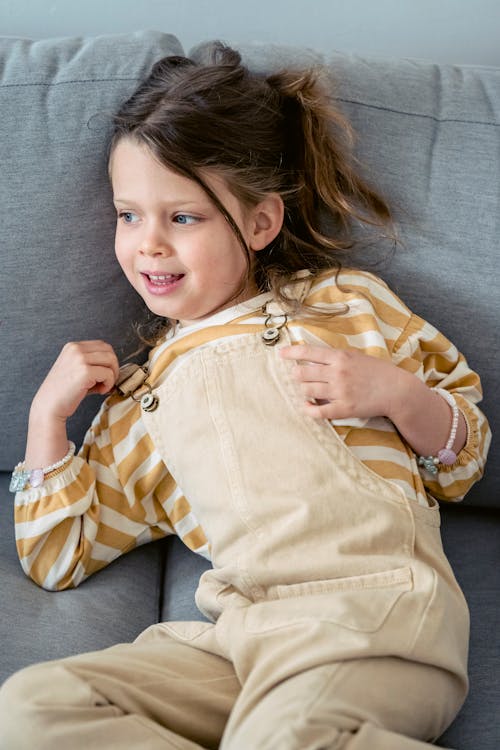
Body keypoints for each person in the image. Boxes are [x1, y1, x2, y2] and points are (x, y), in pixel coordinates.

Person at [0, 42, 490, 750]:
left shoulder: (343, 305)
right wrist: (48, 417)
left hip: (373, 613)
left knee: (282, 737)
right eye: (129, 215)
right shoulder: (145, 401)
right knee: (33, 708)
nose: (149, 246)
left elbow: (464, 457)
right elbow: (58, 555)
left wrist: (397, 393)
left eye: (184, 218)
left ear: (260, 222)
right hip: (243, 640)